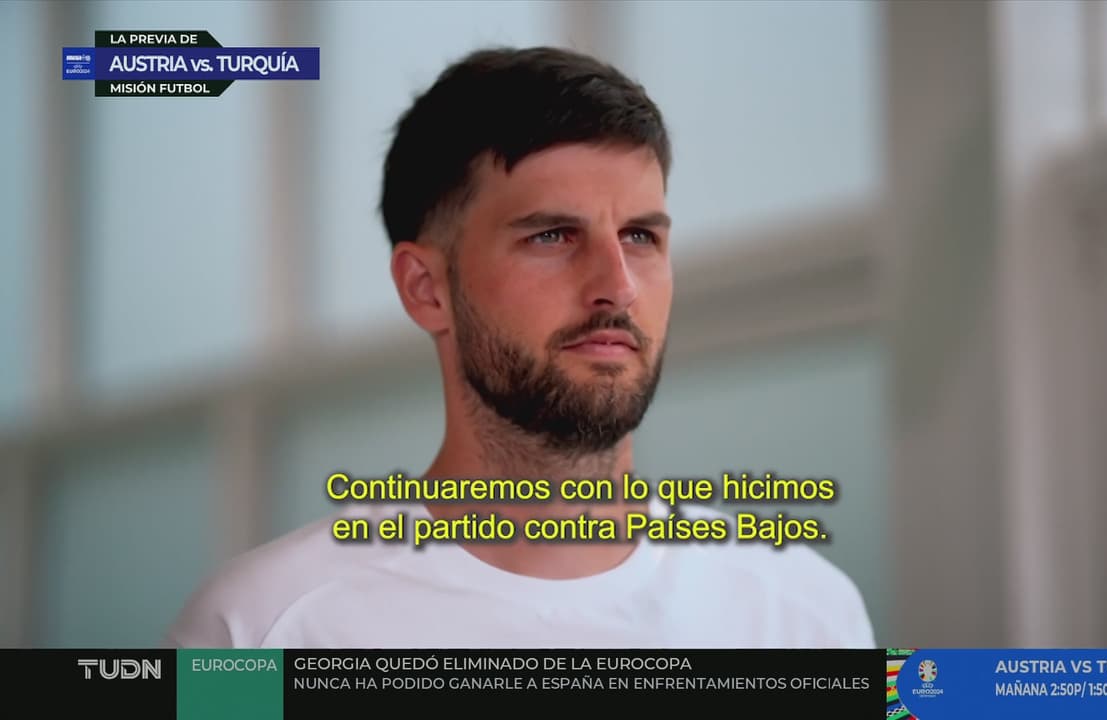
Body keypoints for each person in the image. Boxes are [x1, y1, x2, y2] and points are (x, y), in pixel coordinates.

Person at [166, 46, 875, 649]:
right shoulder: (258, 631)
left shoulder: (809, 614)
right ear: (426, 289)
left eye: (640, 236)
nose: (618, 287)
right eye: (552, 236)